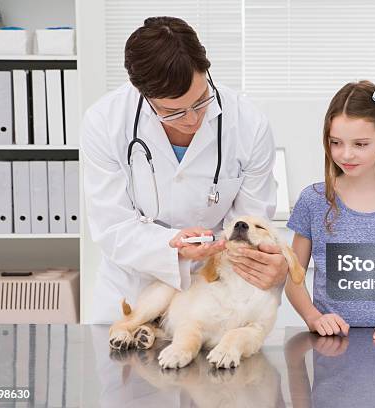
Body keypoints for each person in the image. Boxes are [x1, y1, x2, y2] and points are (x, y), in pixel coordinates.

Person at [82, 16, 288, 323]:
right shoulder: (104, 122)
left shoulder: (249, 125)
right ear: (142, 93)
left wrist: (274, 266)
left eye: (201, 100)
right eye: (172, 112)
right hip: (132, 285)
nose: (192, 119)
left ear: (205, 70)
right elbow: (112, 227)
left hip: (216, 293)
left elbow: (250, 223)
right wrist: (173, 246)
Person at [285, 80, 375, 341]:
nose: (346, 154)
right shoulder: (313, 200)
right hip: (329, 348)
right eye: (336, 142)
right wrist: (314, 317)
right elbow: (293, 279)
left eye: (360, 144)